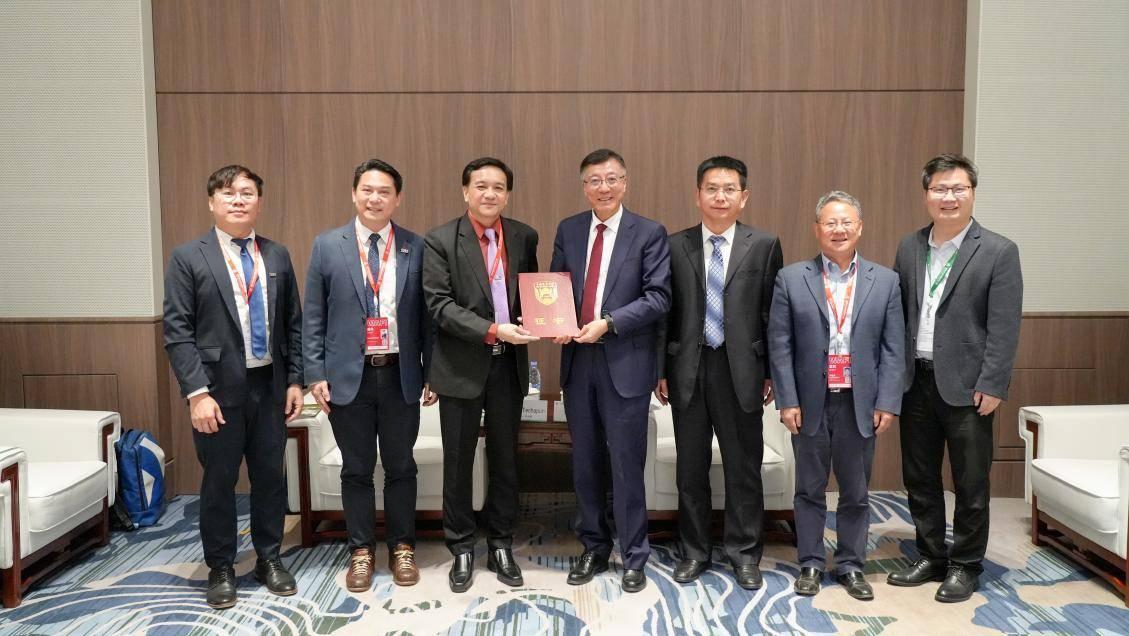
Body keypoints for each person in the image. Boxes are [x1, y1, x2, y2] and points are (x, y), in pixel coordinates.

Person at [163, 165, 304, 609]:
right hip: (217, 392)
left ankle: (269, 557)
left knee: (270, 478)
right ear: (211, 203)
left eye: (246, 192)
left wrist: (295, 380)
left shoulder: (276, 255)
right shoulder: (189, 256)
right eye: (228, 193)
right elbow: (178, 331)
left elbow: (293, 324)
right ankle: (221, 566)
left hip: (269, 386)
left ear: (259, 202)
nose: (238, 200)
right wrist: (197, 394)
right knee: (219, 482)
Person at [886, 154, 1023, 603]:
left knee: (970, 480)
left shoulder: (999, 251)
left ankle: (965, 564)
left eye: (958, 189)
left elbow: (1004, 325)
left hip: (969, 386)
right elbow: (899, 315)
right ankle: (930, 555)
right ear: (926, 194)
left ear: (972, 194)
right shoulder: (910, 246)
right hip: (916, 381)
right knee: (919, 476)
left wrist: (993, 382)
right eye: (940, 189)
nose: (949, 197)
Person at [303, 159, 435, 592]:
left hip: (400, 376)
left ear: (397, 198)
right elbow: (313, 316)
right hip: (348, 378)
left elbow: (428, 318)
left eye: (384, 192)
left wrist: (432, 371)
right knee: (356, 470)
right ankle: (360, 551)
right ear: (354, 193)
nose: (375, 198)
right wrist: (315, 373)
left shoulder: (416, 247)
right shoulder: (327, 246)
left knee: (401, 467)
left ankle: (402, 548)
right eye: (367, 190)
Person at [767, 190, 904, 600]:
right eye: (830, 222)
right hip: (810, 401)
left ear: (859, 228)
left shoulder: (886, 281)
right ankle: (810, 563)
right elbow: (780, 345)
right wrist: (787, 400)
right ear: (817, 229)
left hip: (859, 403)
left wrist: (887, 401)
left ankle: (850, 565)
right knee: (809, 489)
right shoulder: (791, 278)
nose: (838, 229)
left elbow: (893, 348)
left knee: (856, 492)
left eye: (846, 222)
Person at [655, 156, 782, 590]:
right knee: (690, 469)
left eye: (729, 189)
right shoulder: (675, 245)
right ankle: (694, 551)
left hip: (741, 370)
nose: (720, 196)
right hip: (688, 369)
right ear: (698, 195)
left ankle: (744, 554)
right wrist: (661, 369)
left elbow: (771, 314)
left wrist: (771, 372)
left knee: (743, 468)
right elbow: (665, 314)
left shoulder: (764, 245)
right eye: (712, 188)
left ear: (744, 196)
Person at [550, 148, 671, 593]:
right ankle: (594, 547)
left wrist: (610, 322)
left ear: (625, 182)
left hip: (625, 362)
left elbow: (659, 297)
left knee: (625, 464)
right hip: (578, 363)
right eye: (595, 180)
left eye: (612, 179)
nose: (604, 187)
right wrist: (556, 322)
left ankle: (635, 554)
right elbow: (555, 288)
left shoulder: (649, 233)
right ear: (584, 186)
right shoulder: (569, 229)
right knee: (585, 463)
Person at [422, 157, 539, 593]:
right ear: (465, 191)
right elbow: (439, 305)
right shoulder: (439, 240)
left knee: (506, 459)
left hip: (508, 365)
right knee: (458, 460)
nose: (490, 193)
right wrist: (492, 329)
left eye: (499, 187)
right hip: (459, 367)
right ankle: (461, 547)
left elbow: (532, 293)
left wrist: (544, 319)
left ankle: (502, 543)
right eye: (481, 186)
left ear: (507, 194)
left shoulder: (524, 236)